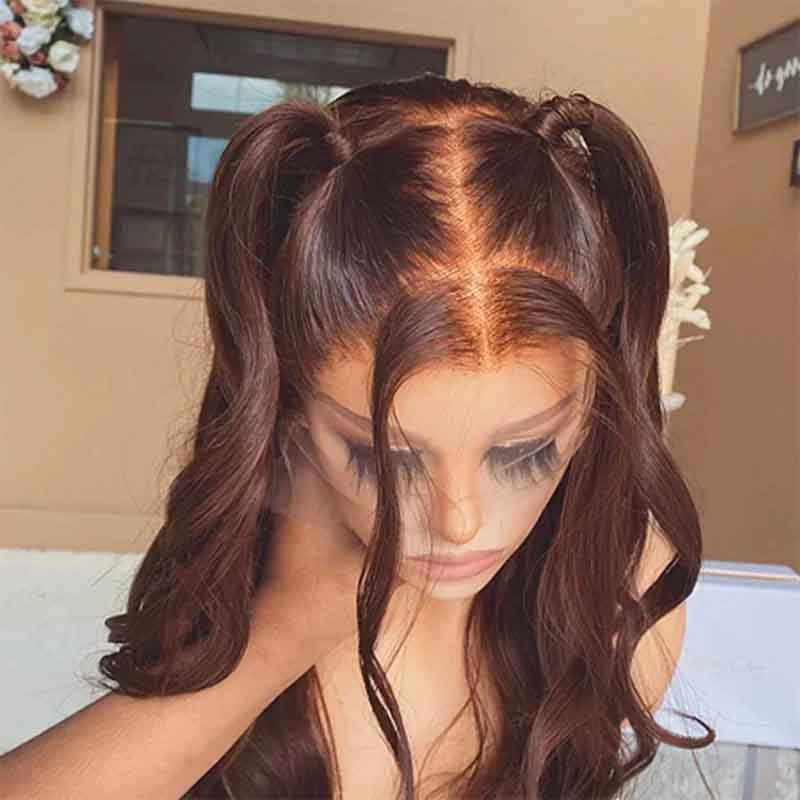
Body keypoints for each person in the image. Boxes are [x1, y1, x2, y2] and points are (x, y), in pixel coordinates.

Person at [0, 73, 715, 800]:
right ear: (289, 408)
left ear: (595, 403)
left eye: (524, 452)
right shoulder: (253, 589)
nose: (459, 523)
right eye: (385, 457)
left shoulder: (625, 599)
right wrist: (283, 628)